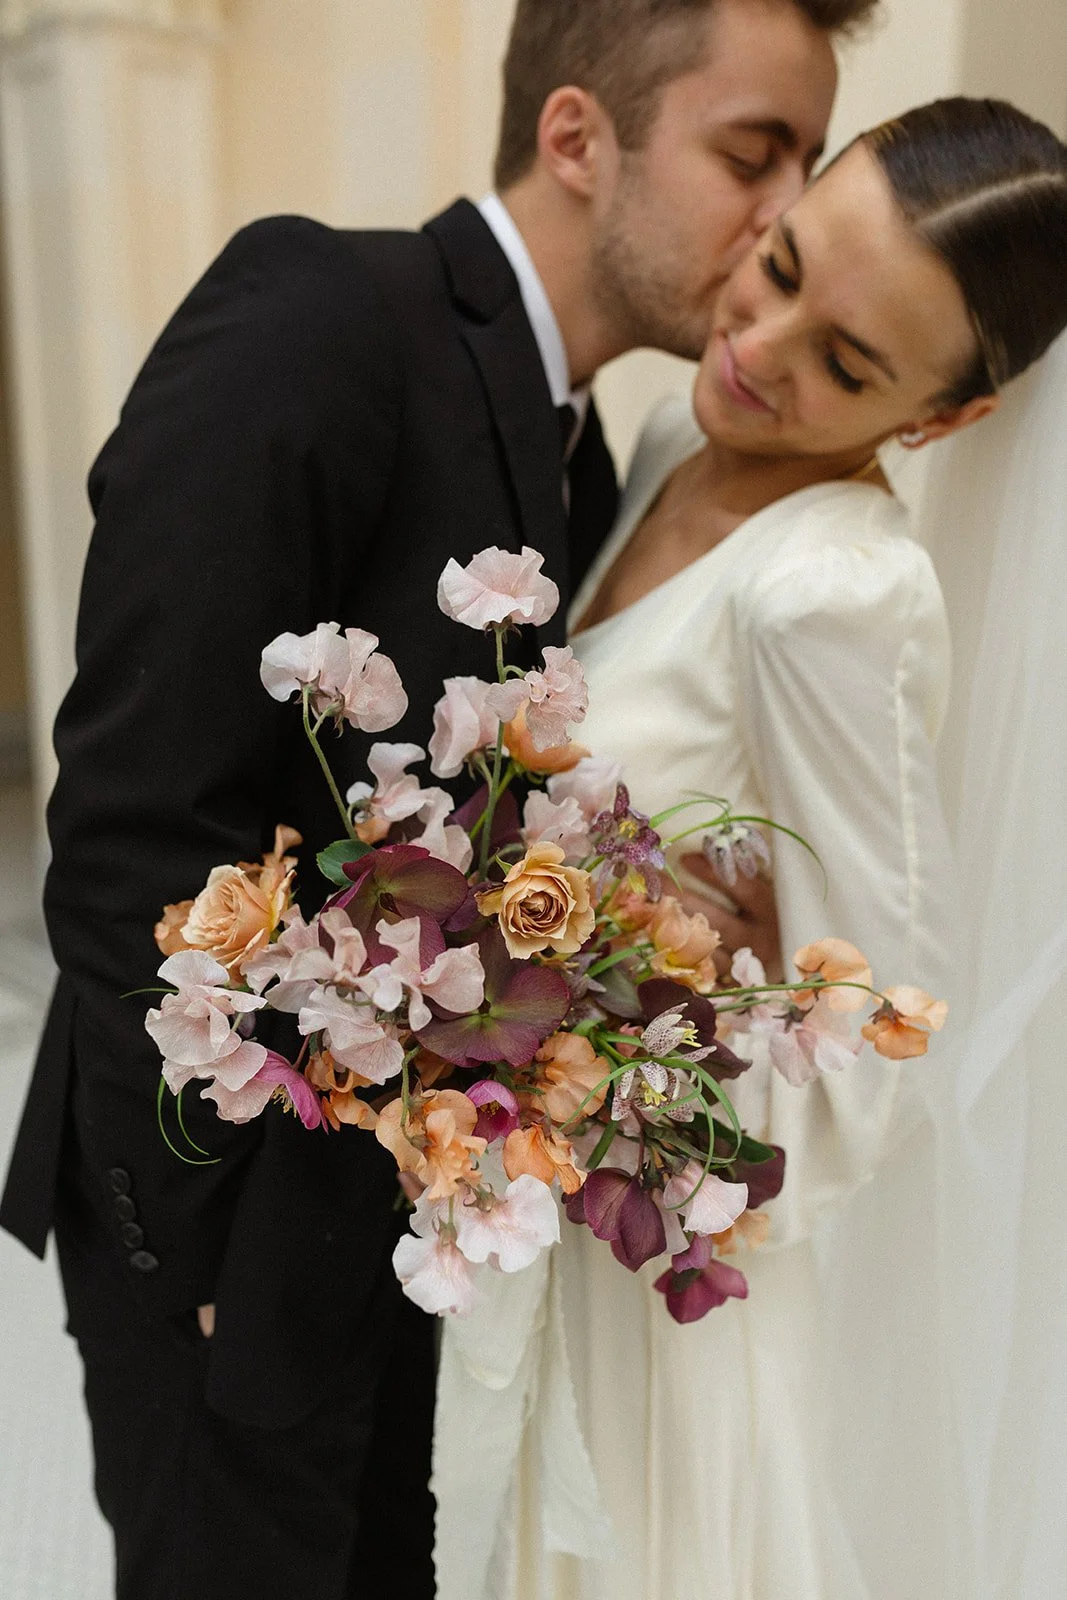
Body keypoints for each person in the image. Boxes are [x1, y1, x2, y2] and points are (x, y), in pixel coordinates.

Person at [0, 1, 876, 1596]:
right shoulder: (318, 309)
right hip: (227, 1244)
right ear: (573, 136)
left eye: (807, 161)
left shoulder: (586, 454)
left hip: (404, 1234)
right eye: (754, 152)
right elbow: (134, 818)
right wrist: (189, 1263)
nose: (786, 213)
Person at [432, 97, 1067, 1600]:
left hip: (648, 1311)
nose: (757, 349)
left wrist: (659, 998)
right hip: (518, 1210)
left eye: (845, 363)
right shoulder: (668, 433)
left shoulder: (835, 594)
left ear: (940, 420)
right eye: (777, 267)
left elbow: (870, 1061)